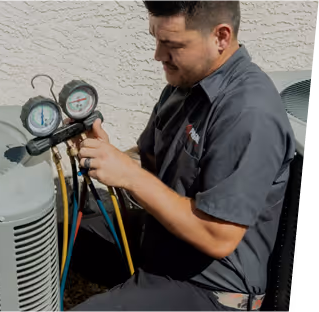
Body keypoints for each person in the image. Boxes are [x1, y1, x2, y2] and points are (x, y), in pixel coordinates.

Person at [68, 0, 296, 311]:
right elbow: (148, 163)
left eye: (172, 44)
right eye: (156, 39)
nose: (158, 55)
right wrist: (105, 155)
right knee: (55, 238)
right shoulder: (185, 84)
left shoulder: (248, 114)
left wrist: (129, 176)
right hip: (162, 237)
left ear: (221, 37)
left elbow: (218, 237)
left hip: (209, 288)